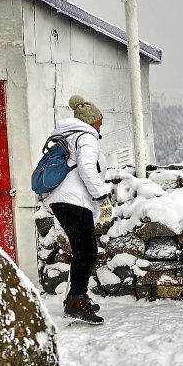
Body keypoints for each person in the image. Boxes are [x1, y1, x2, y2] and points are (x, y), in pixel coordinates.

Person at [46, 95, 111, 325]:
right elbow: (86, 168)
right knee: (87, 251)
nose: (101, 124)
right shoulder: (86, 138)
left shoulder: (71, 136)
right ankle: (75, 301)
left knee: (82, 249)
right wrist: (102, 197)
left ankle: (77, 296)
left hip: (64, 200)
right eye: (100, 120)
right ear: (92, 121)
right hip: (73, 201)